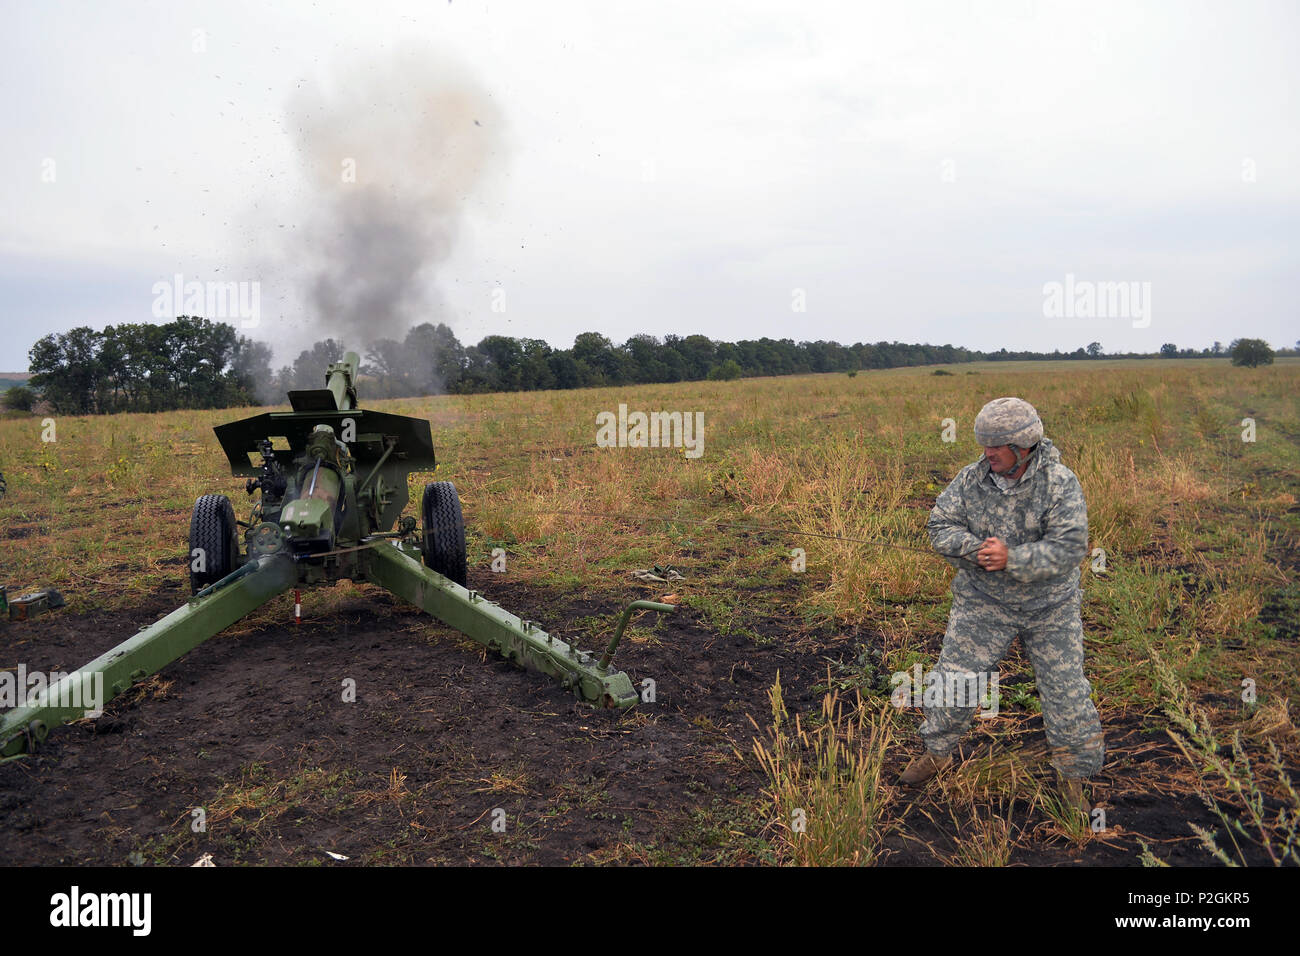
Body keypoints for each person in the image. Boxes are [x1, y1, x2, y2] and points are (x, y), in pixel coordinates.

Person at [899, 397, 1104, 813]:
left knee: (1065, 694)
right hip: (983, 602)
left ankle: (1073, 777)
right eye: (984, 444)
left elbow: (1069, 547)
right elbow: (940, 525)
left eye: (997, 445)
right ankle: (936, 755)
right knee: (954, 681)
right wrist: (976, 550)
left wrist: (1013, 558)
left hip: (1051, 608)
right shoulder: (971, 479)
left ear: (1024, 445)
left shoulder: (1060, 483)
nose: (987, 453)